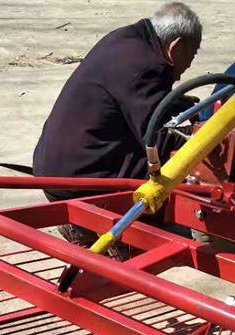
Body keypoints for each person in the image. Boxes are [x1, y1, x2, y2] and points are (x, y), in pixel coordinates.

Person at [33, 2, 202, 245]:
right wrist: (202, 136)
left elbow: (137, 100)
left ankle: (84, 225)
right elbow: (157, 138)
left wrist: (179, 105)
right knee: (183, 161)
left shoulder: (125, 39)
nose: (189, 65)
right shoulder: (146, 68)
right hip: (80, 182)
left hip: (54, 168)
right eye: (192, 54)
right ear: (176, 46)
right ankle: (134, 232)